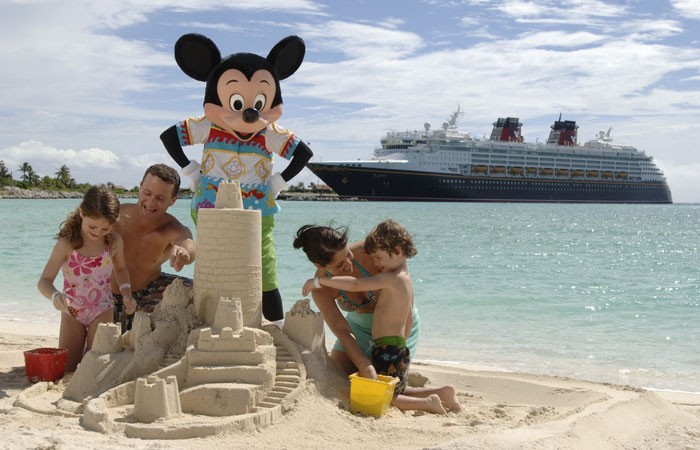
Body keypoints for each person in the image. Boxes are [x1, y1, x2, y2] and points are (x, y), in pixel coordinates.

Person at [302, 219, 460, 414]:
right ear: (319, 265)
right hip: (357, 330)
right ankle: (440, 393)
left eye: (349, 255)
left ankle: (430, 400)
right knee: (343, 377)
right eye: (340, 265)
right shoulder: (320, 289)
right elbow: (342, 330)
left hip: (399, 329)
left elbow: (406, 299)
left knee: (380, 386)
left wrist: (400, 344)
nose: (349, 264)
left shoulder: (373, 251)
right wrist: (364, 364)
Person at [38, 186, 137, 372]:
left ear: (114, 222)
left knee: (96, 366)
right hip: (72, 311)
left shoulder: (114, 242)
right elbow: (44, 281)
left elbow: (121, 269)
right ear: (82, 213)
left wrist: (126, 292)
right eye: (92, 226)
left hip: (103, 308)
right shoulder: (67, 244)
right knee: (68, 368)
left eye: (105, 228)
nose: (98, 232)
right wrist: (55, 296)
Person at [111, 164, 196, 331]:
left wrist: (184, 252)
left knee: (201, 291)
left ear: (173, 200)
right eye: (147, 193)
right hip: (109, 295)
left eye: (160, 198)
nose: (151, 202)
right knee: (109, 337)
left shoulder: (172, 228)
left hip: (151, 291)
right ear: (140, 188)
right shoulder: (115, 216)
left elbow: (187, 242)